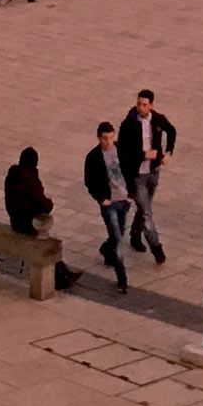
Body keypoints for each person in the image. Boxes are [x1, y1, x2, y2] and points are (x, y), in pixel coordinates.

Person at [3, 147, 82, 291]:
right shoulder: (30, 178)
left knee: (46, 241)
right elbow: (43, 203)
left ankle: (63, 272)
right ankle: (60, 277)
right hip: (28, 224)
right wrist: (49, 204)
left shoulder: (12, 175)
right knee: (46, 243)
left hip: (15, 220)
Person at [118, 89, 176, 263]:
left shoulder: (157, 119)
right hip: (137, 176)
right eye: (138, 104)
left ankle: (135, 234)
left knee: (145, 207)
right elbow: (123, 152)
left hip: (153, 172)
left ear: (151, 105)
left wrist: (168, 152)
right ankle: (157, 249)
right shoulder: (128, 124)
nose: (141, 108)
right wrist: (144, 155)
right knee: (147, 213)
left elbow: (171, 131)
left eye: (144, 104)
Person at [82, 123, 131, 293]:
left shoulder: (122, 150)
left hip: (124, 200)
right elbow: (89, 181)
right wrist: (101, 198)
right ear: (98, 138)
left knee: (119, 233)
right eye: (105, 138)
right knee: (118, 239)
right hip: (109, 203)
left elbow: (131, 169)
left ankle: (106, 249)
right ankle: (122, 278)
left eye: (111, 138)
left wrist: (130, 193)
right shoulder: (93, 157)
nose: (108, 142)